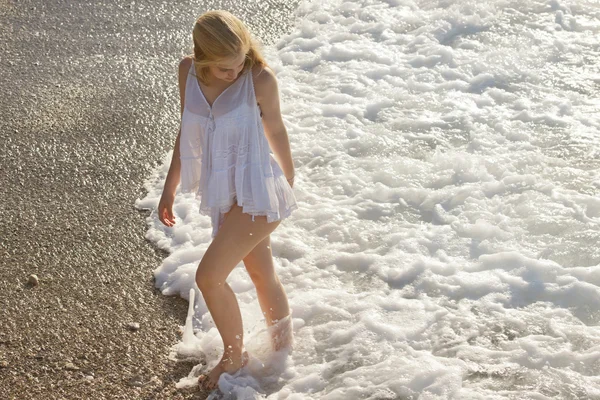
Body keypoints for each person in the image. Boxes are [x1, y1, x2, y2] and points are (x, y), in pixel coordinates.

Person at [156, 10, 298, 391]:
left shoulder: (259, 79)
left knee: (208, 276)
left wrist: (288, 178)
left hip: (259, 189)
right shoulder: (187, 72)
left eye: (239, 63)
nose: (234, 73)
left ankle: (236, 358)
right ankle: (284, 354)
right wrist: (169, 188)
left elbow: (276, 127)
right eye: (223, 68)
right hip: (225, 191)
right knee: (260, 273)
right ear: (201, 57)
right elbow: (186, 131)